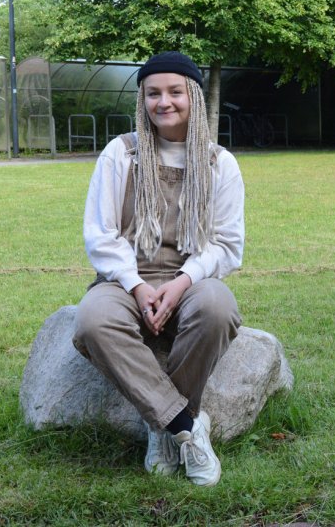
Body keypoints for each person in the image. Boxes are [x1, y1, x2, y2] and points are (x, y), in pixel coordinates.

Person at [73, 51, 244, 486]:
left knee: (218, 309)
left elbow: (227, 244)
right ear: (142, 99)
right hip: (125, 277)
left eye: (174, 92)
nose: (163, 102)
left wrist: (184, 280)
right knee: (93, 322)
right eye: (152, 93)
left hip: (192, 277)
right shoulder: (121, 154)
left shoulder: (218, 163)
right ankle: (182, 426)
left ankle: (160, 426)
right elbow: (101, 233)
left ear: (194, 97)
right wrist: (134, 285)